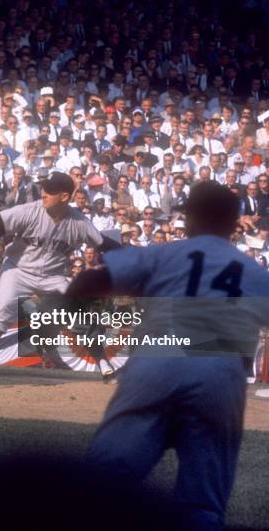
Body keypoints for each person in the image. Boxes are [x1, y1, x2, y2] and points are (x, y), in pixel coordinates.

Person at [66, 182, 269, 530]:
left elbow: (86, 283)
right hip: (220, 371)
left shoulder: (164, 253)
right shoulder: (253, 272)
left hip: (157, 361)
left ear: (189, 218)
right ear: (234, 223)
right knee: (202, 508)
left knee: (102, 486)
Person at [0, 171, 118, 381]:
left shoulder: (78, 222)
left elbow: (105, 244)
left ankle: (104, 364)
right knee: (4, 306)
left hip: (52, 275)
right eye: (44, 188)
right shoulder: (29, 211)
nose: (43, 193)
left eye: (50, 190)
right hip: (18, 270)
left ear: (64, 197)